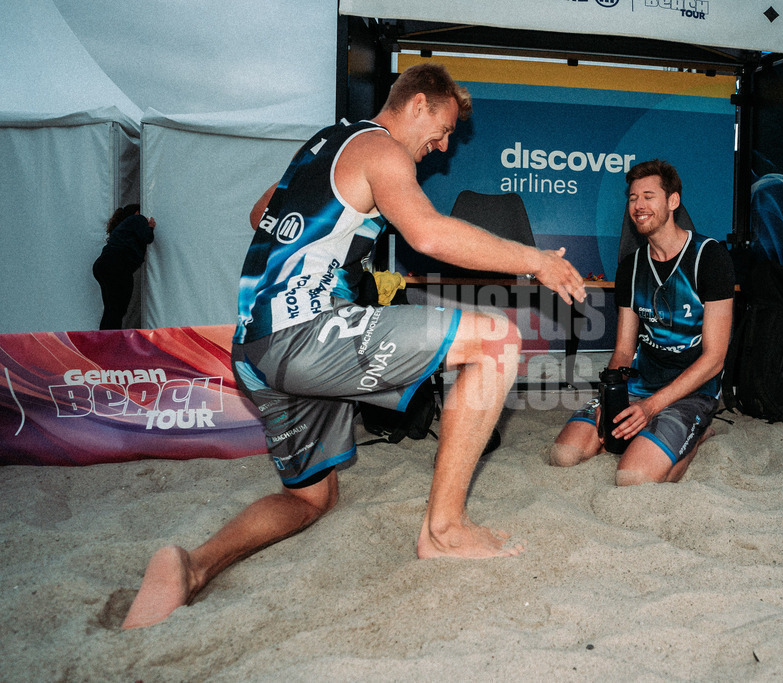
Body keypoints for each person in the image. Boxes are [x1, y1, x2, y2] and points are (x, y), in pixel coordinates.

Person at [122, 62, 586, 629]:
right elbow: (428, 234)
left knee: (311, 500)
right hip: (303, 336)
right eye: (439, 132)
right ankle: (444, 531)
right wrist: (536, 260)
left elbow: (259, 212)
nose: (440, 149)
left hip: (254, 350)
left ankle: (191, 566)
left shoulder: (323, 145)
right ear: (417, 103)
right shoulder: (381, 149)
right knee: (496, 340)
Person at [549, 159, 734, 486]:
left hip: (692, 390)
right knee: (565, 455)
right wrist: (611, 397)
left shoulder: (710, 257)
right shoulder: (631, 267)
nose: (638, 205)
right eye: (633, 198)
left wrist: (651, 407)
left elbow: (714, 358)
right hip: (640, 383)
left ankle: (696, 437)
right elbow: (623, 350)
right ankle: (650, 432)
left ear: (672, 201)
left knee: (633, 477)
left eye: (649, 196)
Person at [92, 204, 155, 330]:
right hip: (117, 266)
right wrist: (151, 227)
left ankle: (105, 338)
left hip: (103, 265)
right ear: (138, 212)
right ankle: (112, 339)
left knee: (111, 308)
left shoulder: (123, 227)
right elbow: (147, 237)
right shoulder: (137, 219)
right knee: (118, 308)